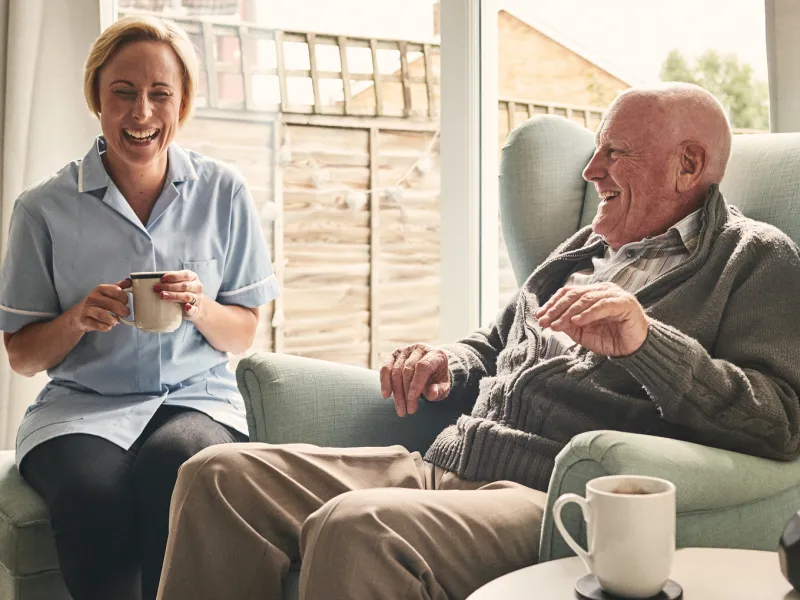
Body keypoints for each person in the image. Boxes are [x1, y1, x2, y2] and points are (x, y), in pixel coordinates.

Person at [156, 83, 800, 600]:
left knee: (357, 529)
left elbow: (780, 421)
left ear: (688, 163)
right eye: (596, 149)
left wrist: (644, 340)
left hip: (549, 497)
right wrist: (449, 361)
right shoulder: (586, 246)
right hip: (446, 463)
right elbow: (493, 343)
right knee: (217, 476)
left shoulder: (754, 260)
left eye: (615, 153)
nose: (590, 168)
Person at [0, 15, 278, 600]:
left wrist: (199, 306)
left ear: (183, 103)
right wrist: (76, 318)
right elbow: (22, 355)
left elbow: (245, 332)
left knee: (181, 470)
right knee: (89, 495)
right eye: (123, 93)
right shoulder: (42, 209)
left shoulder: (224, 191)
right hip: (81, 406)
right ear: (96, 99)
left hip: (195, 399)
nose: (141, 113)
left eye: (160, 95)